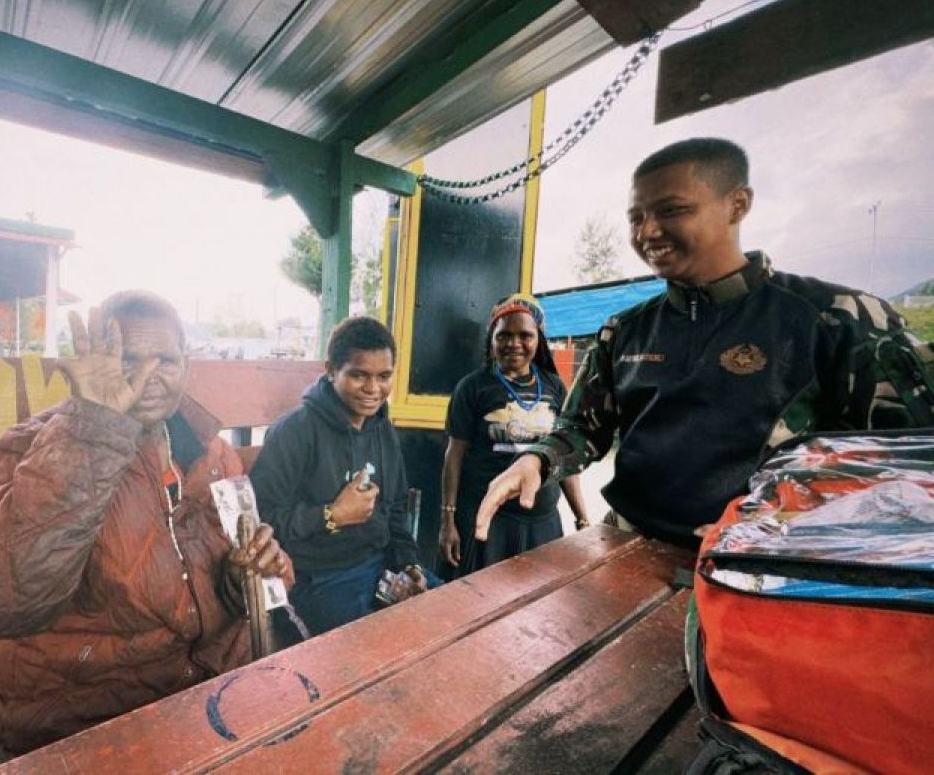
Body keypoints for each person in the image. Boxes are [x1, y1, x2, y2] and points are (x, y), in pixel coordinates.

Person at [476, 137, 934, 549]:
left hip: (769, 572)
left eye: (672, 211)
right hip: (628, 550)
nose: (647, 232)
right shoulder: (626, 330)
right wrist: (538, 460)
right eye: (636, 217)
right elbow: (583, 428)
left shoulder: (839, 320)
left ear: (737, 205)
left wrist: (791, 526)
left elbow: (910, 465)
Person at [0, 291, 294, 760]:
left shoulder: (213, 455)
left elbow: (246, 585)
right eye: (128, 359)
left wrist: (249, 575)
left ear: (187, 365)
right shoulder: (39, 448)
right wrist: (95, 426)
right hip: (88, 720)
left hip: (208, 700)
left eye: (166, 359)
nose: (148, 376)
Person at [250, 316, 437, 636]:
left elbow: (395, 509)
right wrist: (331, 515)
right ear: (331, 370)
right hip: (317, 578)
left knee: (448, 614)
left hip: (380, 567)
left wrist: (409, 566)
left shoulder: (383, 430)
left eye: (384, 376)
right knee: (383, 646)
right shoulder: (295, 432)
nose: (373, 389)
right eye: (358, 375)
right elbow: (261, 520)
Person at [439, 293, 589, 576]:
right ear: (491, 339)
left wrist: (581, 518)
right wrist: (448, 520)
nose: (514, 344)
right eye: (504, 335)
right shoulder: (472, 388)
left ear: (538, 340)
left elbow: (564, 453)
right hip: (486, 523)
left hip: (541, 524)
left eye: (525, 335)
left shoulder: (555, 387)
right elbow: (454, 456)